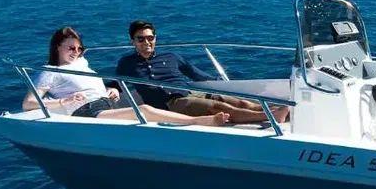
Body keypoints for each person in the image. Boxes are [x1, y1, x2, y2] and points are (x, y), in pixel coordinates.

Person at [22, 27, 230, 126]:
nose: (76, 52)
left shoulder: (81, 64)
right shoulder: (50, 71)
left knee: (145, 107)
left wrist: (110, 89)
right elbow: (29, 104)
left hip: (105, 104)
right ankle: (199, 121)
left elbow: (89, 86)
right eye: (70, 48)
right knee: (145, 109)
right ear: (57, 47)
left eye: (79, 48)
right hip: (87, 112)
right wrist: (63, 101)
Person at [115, 20, 289, 124]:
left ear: (155, 39)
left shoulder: (171, 56)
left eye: (150, 38)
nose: (146, 42)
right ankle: (270, 117)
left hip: (192, 92)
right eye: (141, 39)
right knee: (220, 108)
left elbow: (195, 74)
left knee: (240, 102)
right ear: (133, 41)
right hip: (172, 103)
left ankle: (280, 110)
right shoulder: (127, 63)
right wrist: (113, 89)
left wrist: (218, 83)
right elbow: (116, 82)